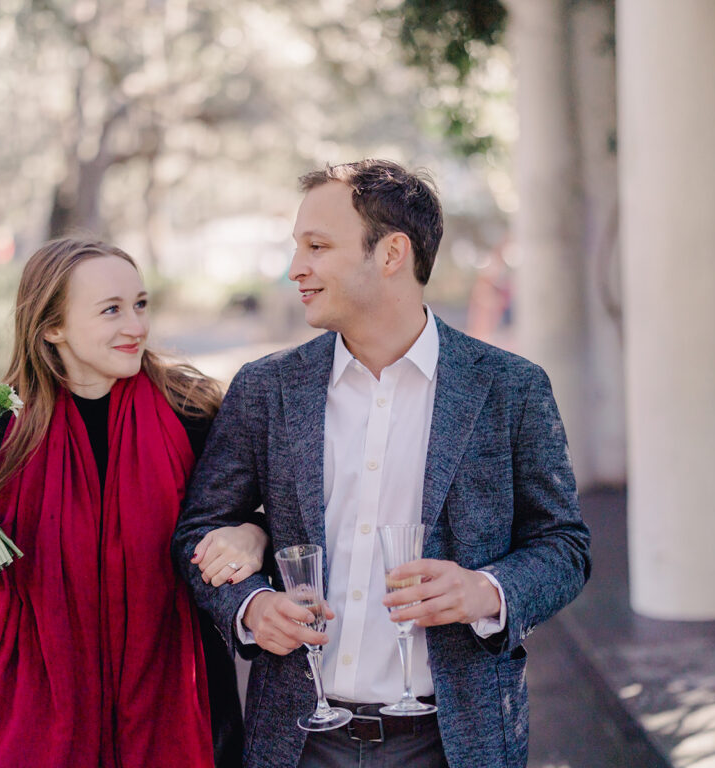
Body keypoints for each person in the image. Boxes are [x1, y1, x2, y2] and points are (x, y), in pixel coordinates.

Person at [172, 160, 592, 768]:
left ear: (392, 252)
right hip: (298, 740)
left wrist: (485, 590)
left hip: (455, 742)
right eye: (298, 247)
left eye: (317, 246)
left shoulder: (511, 388)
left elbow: (564, 546)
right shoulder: (265, 389)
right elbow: (199, 529)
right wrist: (251, 606)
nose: (297, 269)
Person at [0, 237, 268, 768]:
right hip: (42, 706)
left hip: (179, 696)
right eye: (111, 310)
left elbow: (239, 522)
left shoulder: (191, 412)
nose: (136, 325)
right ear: (51, 327)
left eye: (140, 304)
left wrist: (254, 533)